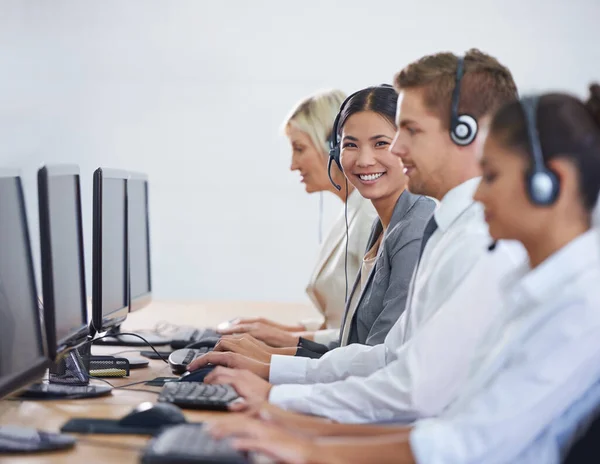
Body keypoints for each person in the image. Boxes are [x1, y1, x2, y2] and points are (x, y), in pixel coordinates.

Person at [206, 84, 600, 464]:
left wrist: (307, 438)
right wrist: (294, 423)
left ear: (552, 184)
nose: (478, 195)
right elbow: (433, 415)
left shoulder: (577, 307)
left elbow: (456, 438)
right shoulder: (532, 285)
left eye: (492, 176)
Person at [188, 49, 526, 424]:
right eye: (351, 144)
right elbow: (386, 357)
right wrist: (275, 377)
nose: (396, 149)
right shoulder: (446, 229)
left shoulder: (478, 242)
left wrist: (281, 399)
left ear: (467, 133)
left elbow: (412, 394)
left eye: (408, 132)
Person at [212, 86, 435, 362]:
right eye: (351, 144)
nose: (365, 159)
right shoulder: (379, 222)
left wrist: (271, 360)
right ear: (337, 150)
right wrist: (269, 350)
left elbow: (377, 359)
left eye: (381, 143)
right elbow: (354, 340)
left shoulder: (406, 226)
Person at [219, 90, 378, 348]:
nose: (293, 164)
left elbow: (365, 334)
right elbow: (341, 320)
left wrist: (285, 339)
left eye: (299, 148)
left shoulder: (370, 215)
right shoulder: (351, 210)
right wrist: (273, 328)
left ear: (333, 147)